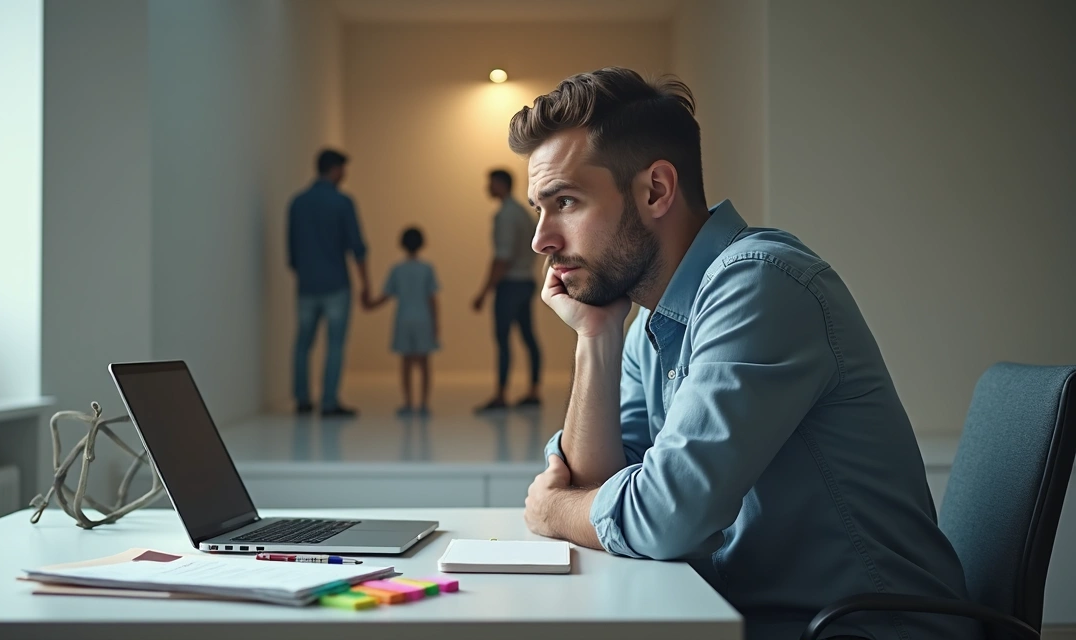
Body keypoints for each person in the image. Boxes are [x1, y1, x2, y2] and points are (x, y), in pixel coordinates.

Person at [512, 68, 980, 640]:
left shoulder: (759, 282)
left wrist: (554, 510)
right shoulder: (649, 322)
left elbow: (664, 516)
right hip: (751, 619)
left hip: (864, 630)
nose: (541, 240)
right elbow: (599, 484)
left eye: (565, 202)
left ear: (656, 190)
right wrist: (595, 339)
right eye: (540, 208)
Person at [287, 149, 370, 418]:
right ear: (334, 169)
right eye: (343, 169)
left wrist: (304, 272)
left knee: (303, 343)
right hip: (336, 283)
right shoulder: (342, 202)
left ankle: (302, 400)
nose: (344, 175)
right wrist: (366, 284)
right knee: (334, 344)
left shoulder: (297, 202)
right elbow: (357, 247)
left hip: (307, 285)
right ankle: (329, 401)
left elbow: (291, 251)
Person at [472, 169, 542, 412]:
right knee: (528, 337)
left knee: (503, 338)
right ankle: (534, 391)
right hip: (526, 281)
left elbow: (502, 258)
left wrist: (483, 292)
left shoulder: (505, 215)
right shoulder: (522, 213)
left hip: (510, 284)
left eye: (490, 183)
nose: (487, 188)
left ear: (501, 184)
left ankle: (501, 394)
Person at [366, 227, 440, 416]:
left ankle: (408, 402)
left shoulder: (397, 269)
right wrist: (436, 324)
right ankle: (424, 403)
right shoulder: (427, 268)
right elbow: (433, 299)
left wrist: (370, 304)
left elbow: (386, 295)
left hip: (403, 319)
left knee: (406, 362)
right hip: (423, 319)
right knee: (424, 363)